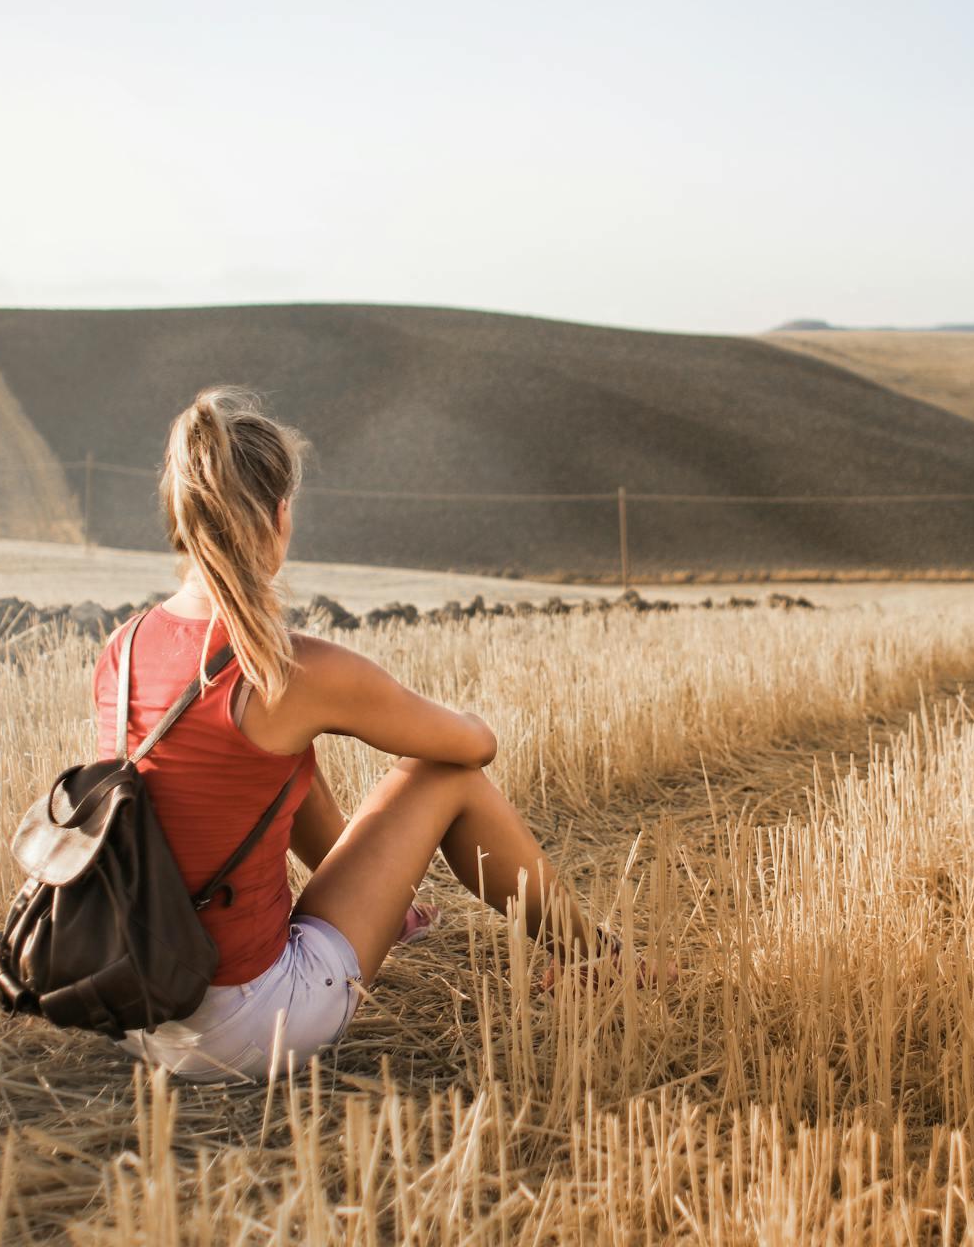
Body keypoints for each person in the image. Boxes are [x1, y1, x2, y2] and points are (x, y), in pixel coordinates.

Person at [96, 385, 624, 1083]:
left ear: (183, 519)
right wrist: (455, 716)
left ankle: (392, 914)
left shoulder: (123, 649)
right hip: (248, 1027)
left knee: (280, 760)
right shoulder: (292, 669)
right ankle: (598, 960)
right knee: (445, 776)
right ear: (280, 517)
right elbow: (473, 748)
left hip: (134, 1009)